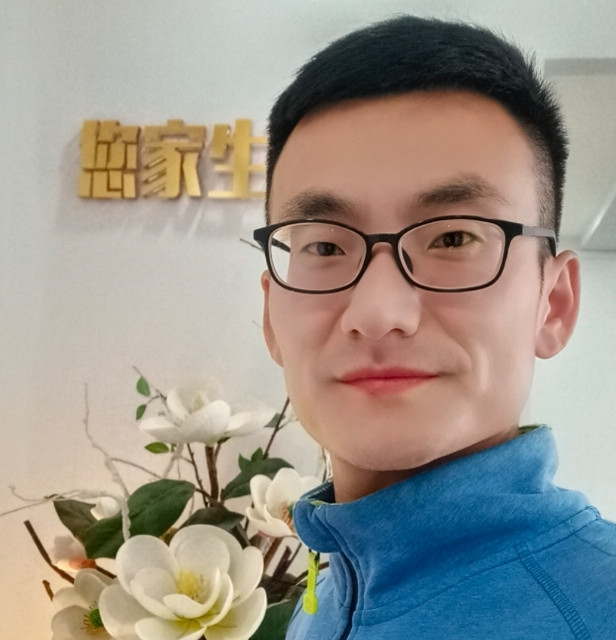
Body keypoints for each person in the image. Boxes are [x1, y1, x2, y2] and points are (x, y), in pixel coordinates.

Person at [253, 15, 616, 640]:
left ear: (553, 304)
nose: (377, 313)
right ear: (271, 316)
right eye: (324, 247)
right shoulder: (321, 597)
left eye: (453, 238)